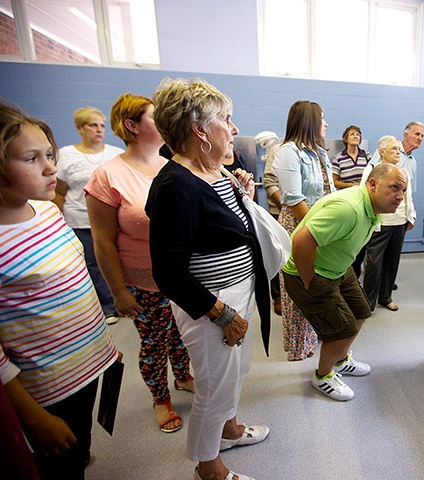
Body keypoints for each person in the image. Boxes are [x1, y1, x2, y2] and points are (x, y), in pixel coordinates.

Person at [145, 78, 269, 480]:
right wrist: (221, 315)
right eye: (227, 120)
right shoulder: (174, 187)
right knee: (213, 389)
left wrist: (243, 197)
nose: (234, 130)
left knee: (237, 372)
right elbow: (169, 273)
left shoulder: (218, 172)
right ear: (200, 129)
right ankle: (208, 467)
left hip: (238, 292)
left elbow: (223, 229)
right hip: (211, 305)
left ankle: (229, 431)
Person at [0, 101, 119, 480]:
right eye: (32, 159)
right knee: (58, 462)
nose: (51, 167)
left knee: (78, 442)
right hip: (46, 386)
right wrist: (33, 418)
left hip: (87, 364)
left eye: (49, 154)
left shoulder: (47, 211)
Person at [84, 93, 194, 435]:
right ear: (131, 125)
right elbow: (102, 241)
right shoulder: (108, 176)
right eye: (153, 117)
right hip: (142, 280)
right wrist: (118, 291)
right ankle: (160, 398)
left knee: (181, 335)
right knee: (154, 343)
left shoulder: (171, 164)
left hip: (181, 275)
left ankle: (183, 375)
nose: (162, 122)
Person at [282, 163, 408, 401]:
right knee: (342, 329)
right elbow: (300, 242)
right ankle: (322, 375)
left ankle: (339, 359)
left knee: (361, 311)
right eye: (394, 188)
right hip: (309, 274)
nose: (400, 196)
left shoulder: (372, 208)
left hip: (338, 268)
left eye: (403, 190)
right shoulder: (349, 208)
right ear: (372, 184)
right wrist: (311, 282)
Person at [272, 100, 335, 361]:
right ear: (309, 121)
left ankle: (312, 337)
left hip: (318, 224)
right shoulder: (288, 152)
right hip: (300, 224)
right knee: (298, 286)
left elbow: (329, 190)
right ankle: (298, 346)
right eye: (321, 118)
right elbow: (295, 199)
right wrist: (317, 231)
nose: (326, 124)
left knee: (314, 284)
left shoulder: (319, 152)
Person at [53, 106, 124, 325]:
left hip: (113, 220)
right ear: (79, 128)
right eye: (93, 125)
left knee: (116, 261)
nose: (99, 130)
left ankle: (121, 301)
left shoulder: (114, 154)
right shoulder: (66, 155)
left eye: (102, 125)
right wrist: (59, 223)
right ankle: (107, 307)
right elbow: (60, 191)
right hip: (80, 220)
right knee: (93, 265)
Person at [360, 136, 416, 312]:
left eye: (399, 149)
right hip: (381, 223)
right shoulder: (372, 170)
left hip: (400, 223)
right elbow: (364, 196)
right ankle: (368, 303)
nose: (398, 152)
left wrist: (411, 216)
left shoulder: (403, 172)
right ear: (382, 152)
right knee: (374, 264)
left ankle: (385, 297)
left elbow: (408, 196)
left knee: (392, 261)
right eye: (394, 149)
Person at [331, 125, 371, 279]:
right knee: (347, 240)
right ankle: (344, 276)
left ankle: (355, 278)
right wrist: (352, 185)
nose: (356, 136)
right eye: (352, 134)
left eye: (358, 134)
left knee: (362, 243)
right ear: (345, 138)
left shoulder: (366, 156)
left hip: (363, 200)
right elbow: (335, 182)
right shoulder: (339, 157)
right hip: (347, 201)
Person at [258, 131, 283, 315]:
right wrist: (287, 208)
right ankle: (277, 296)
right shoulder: (277, 150)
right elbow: (270, 181)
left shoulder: (316, 152)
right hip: (280, 212)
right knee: (278, 254)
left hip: (306, 214)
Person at [370, 121, 424, 192]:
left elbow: (410, 191)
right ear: (406, 135)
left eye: (422, 136)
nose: (420, 138)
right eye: (417, 134)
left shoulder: (413, 162)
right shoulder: (386, 150)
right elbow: (370, 174)